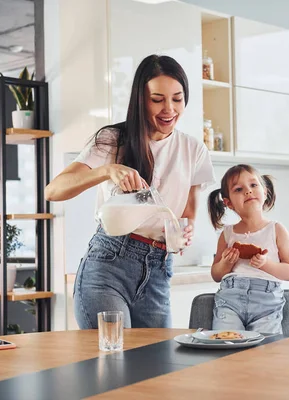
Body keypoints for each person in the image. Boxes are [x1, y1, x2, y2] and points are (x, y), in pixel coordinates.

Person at [45, 55, 215, 329]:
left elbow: (188, 212)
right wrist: (106, 170)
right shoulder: (114, 139)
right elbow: (53, 190)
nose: (169, 109)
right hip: (109, 265)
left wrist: (185, 232)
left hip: (159, 270)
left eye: (177, 98)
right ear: (141, 99)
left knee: (159, 366)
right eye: (157, 99)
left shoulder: (194, 150)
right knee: (113, 361)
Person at [207, 164, 289, 334]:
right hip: (229, 300)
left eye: (253, 185)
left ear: (265, 191)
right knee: (227, 346)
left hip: (267, 303)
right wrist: (225, 264)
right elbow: (216, 275)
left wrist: (265, 264)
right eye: (239, 189)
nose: (248, 191)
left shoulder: (276, 229)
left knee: (266, 351)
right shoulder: (227, 234)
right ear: (228, 203)